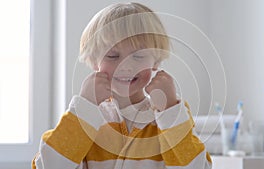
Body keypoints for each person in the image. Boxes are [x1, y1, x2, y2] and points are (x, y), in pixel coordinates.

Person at [32, 2, 212, 169]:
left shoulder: (170, 115)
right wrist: (84, 107)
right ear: (94, 61)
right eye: (112, 56)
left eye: (139, 56)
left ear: (156, 60)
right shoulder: (84, 118)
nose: (126, 65)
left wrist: (170, 109)